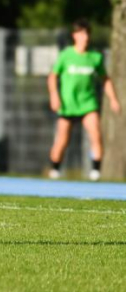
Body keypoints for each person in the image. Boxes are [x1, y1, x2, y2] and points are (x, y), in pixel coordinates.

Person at [47, 19, 120, 181]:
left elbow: (105, 79)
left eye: (87, 33)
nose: (85, 37)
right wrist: (54, 95)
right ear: (75, 36)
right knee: (62, 140)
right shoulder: (66, 55)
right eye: (81, 33)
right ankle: (55, 170)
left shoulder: (95, 57)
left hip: (88, 104)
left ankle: (96, 172)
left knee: (95, 133)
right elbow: (52, 77)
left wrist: (114, 99)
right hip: (67, 105)